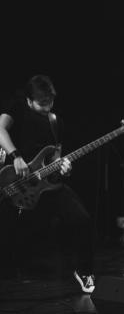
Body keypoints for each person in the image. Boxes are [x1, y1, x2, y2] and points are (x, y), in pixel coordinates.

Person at [0, 74, 96, 293]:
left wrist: (63, 168)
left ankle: (85, 271)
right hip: (12, 181)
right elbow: (0, 129)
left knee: (82, 219)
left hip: (43, 185)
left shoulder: (55, 121)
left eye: (50, 102)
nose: (47, 107)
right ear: (29, 101)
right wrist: (16, 156)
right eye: (42, 103)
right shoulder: (17, 109)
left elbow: (55, 156)